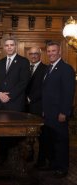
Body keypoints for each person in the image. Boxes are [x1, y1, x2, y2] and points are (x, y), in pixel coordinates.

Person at [0, 37, 30, 164]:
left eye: (11, 45)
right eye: (7, 45)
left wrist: (10, 95)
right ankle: (2, 158)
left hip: (15, 103)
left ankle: (16, 159)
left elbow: (24, 82)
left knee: (15, 132)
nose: (9, 47)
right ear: (4, 47)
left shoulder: (23, 62)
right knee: (1, 133)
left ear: (15, 46)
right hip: (0, 104)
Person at [42, 41, 75, 178]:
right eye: (49, 51)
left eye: (53, 51)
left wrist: (64, 112)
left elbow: (68, 93)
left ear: (59, 51)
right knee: (50, 140)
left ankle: (62, 168)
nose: (50, 53)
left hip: (59, 113)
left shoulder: (66, 69)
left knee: (61, 141)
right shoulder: (48, 68)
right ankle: (54, 164)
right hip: (48, 113)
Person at [25, 46, 48, 162]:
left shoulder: (46, 69)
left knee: (41, 135)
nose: (33, 56)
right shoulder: (25, 68)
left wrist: (30, 98)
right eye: (31, 54)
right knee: (27, 135)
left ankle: (41, 160)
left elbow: (44, 88)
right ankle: (28, 157)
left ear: (40, 55)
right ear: (29, 55)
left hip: (38, 107)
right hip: (24, 108)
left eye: (36, 54)